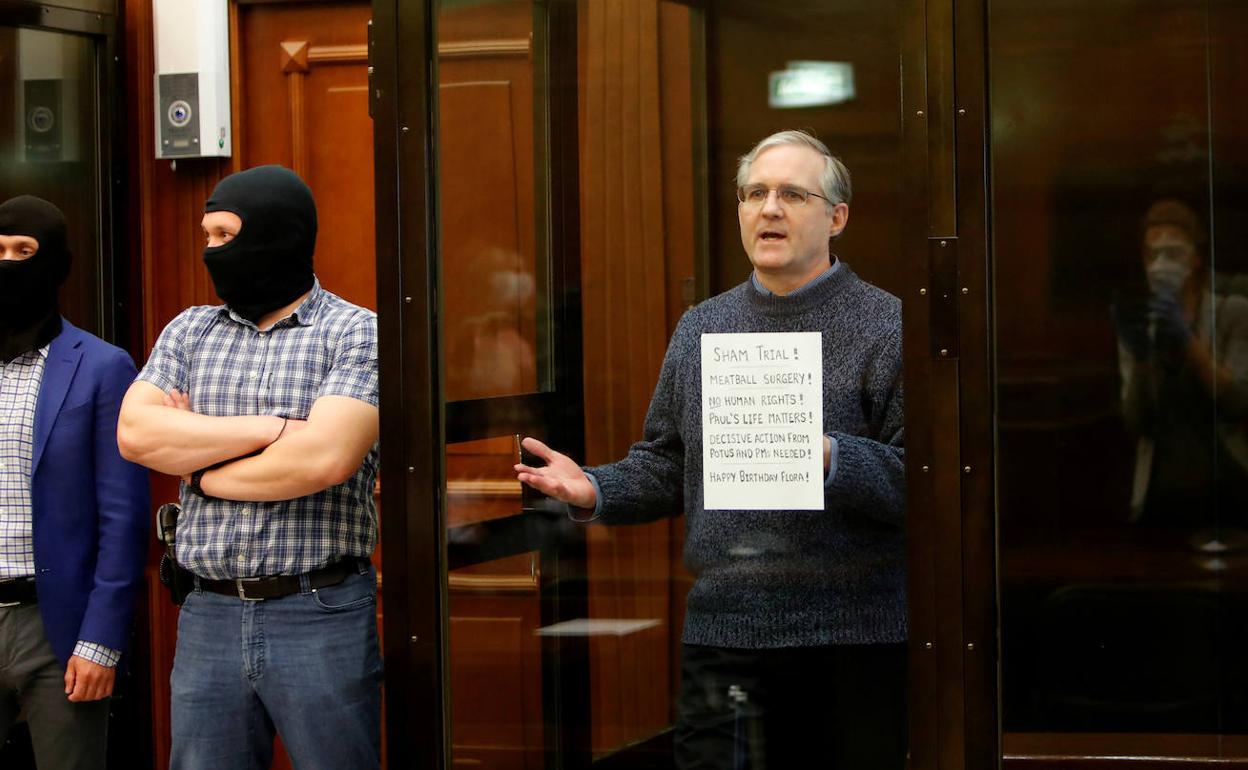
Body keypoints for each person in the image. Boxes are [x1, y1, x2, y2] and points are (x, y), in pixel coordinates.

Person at [516, 130, 906, 768]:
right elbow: (670, 463)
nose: (769, 208)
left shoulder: (888, 326)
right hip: (726, 630)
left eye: (793, 195)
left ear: (837, 218)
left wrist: (827, 455)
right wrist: (595, 488)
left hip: (851, 638)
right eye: (754, 193)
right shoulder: (704, 326)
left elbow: (924, 481)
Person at [116, 166, 382, 769]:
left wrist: (200, 470)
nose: (211, 251)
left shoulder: (356, 332)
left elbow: (325, 458)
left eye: (225, 235)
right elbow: (135, 435)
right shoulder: (189, 330)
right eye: (207, 236)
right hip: (207, 611)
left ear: (278, 233)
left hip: (319, 609)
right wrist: (274, 430)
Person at [0, 195, 149, 768]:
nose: (9, 264)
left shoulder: (103, 366)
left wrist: (101, 640)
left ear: (58, 264)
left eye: (24, 251)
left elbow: (123, 517)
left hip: (58, 628)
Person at [1113, 198, 1248, 532]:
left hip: (1226, 481)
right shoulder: (1140, 322)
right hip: (1164, 488)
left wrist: (1186, 338)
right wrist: (1141, 359)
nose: (1160, 265)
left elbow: (1238, 402)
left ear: (1195, 257)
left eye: (1172, 253)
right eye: (1152, 254)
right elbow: (1138, 421)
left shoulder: (1233, 311)